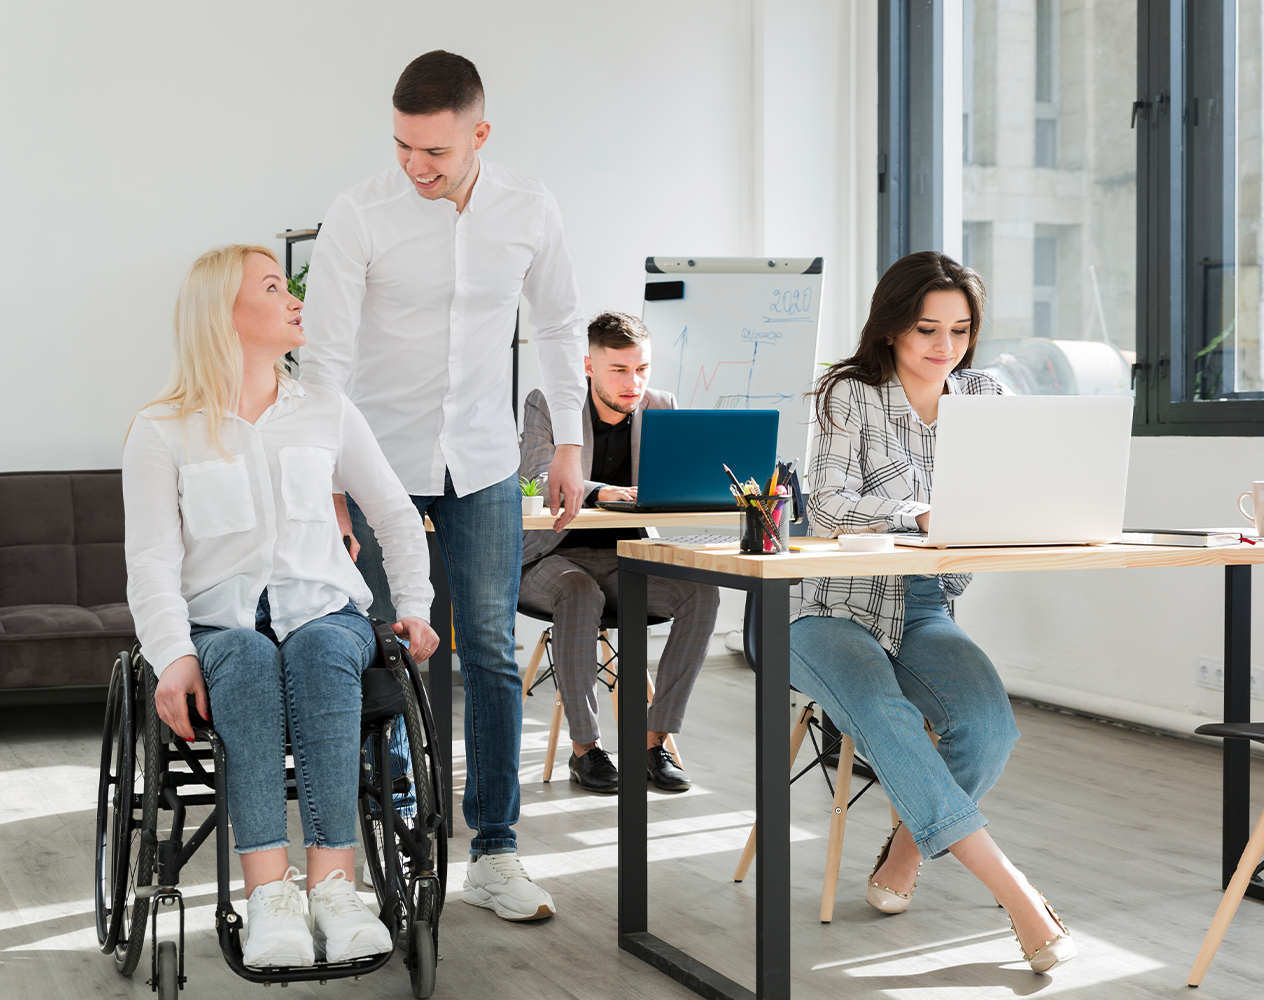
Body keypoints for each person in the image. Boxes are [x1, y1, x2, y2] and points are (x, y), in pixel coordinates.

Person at [299, 50, 586, 922]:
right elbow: (327, 358)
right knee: (389, 649)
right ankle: (395, 840)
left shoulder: (528, 208)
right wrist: (326, 477)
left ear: (479, 134)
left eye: (435, 152)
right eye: (403, 149)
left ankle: (496, 851)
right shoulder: (360, 214)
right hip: (377, 459)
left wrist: (569, 442)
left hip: (487, 462)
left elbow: (559, 320)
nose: (416, 167)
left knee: (493, 654)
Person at [123, 245, 441, 968]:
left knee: (321, 645)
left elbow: (393, 514)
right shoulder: (161, 428)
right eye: (273, 287)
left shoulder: (325, 409)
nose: (295, 297)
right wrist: (172, 657)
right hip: (220, 627)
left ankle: (335, 888)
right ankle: (269, 896)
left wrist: (415, 605)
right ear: (224, 315)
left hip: (327, 617)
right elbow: (151, 561)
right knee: (243, 651)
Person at [791, 251, 1076, 974]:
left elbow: (1008, 495)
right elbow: (823, 506)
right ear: (891, 329)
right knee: (885, 715)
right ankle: (1018, 896)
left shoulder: (985, 392)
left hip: (922, 600)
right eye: (926, 329)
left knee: (988, 728)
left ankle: (910, 844)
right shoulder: (848, 391)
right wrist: (915, 510)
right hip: (829, 604)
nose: (944, 347)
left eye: (960, 329)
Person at [518, 312, 720, 794]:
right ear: (588, 365)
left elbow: (675, 486)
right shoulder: (549, 403)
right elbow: (537, 476)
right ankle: (585, 750)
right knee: (577, 591)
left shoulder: (661, 406)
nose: (634, 383)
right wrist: (600, 491)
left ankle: (653, 743)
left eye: (642, 369)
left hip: (627, 560)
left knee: (703, 594)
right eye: (619, 370)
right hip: (549, 560)